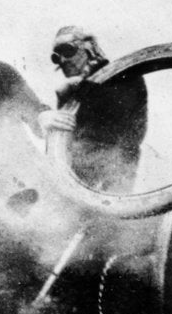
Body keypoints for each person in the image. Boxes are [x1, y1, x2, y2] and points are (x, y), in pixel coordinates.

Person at [40, 26, 148, 194]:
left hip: (110, 182)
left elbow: (119, 127)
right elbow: (65, 142)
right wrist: (46, 117)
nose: (62, 60)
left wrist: (71, 89)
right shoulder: (72, 93)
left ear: (89, 47)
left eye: (68, 50)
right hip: (73, 183)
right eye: (56, 57)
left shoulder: (124, 76)